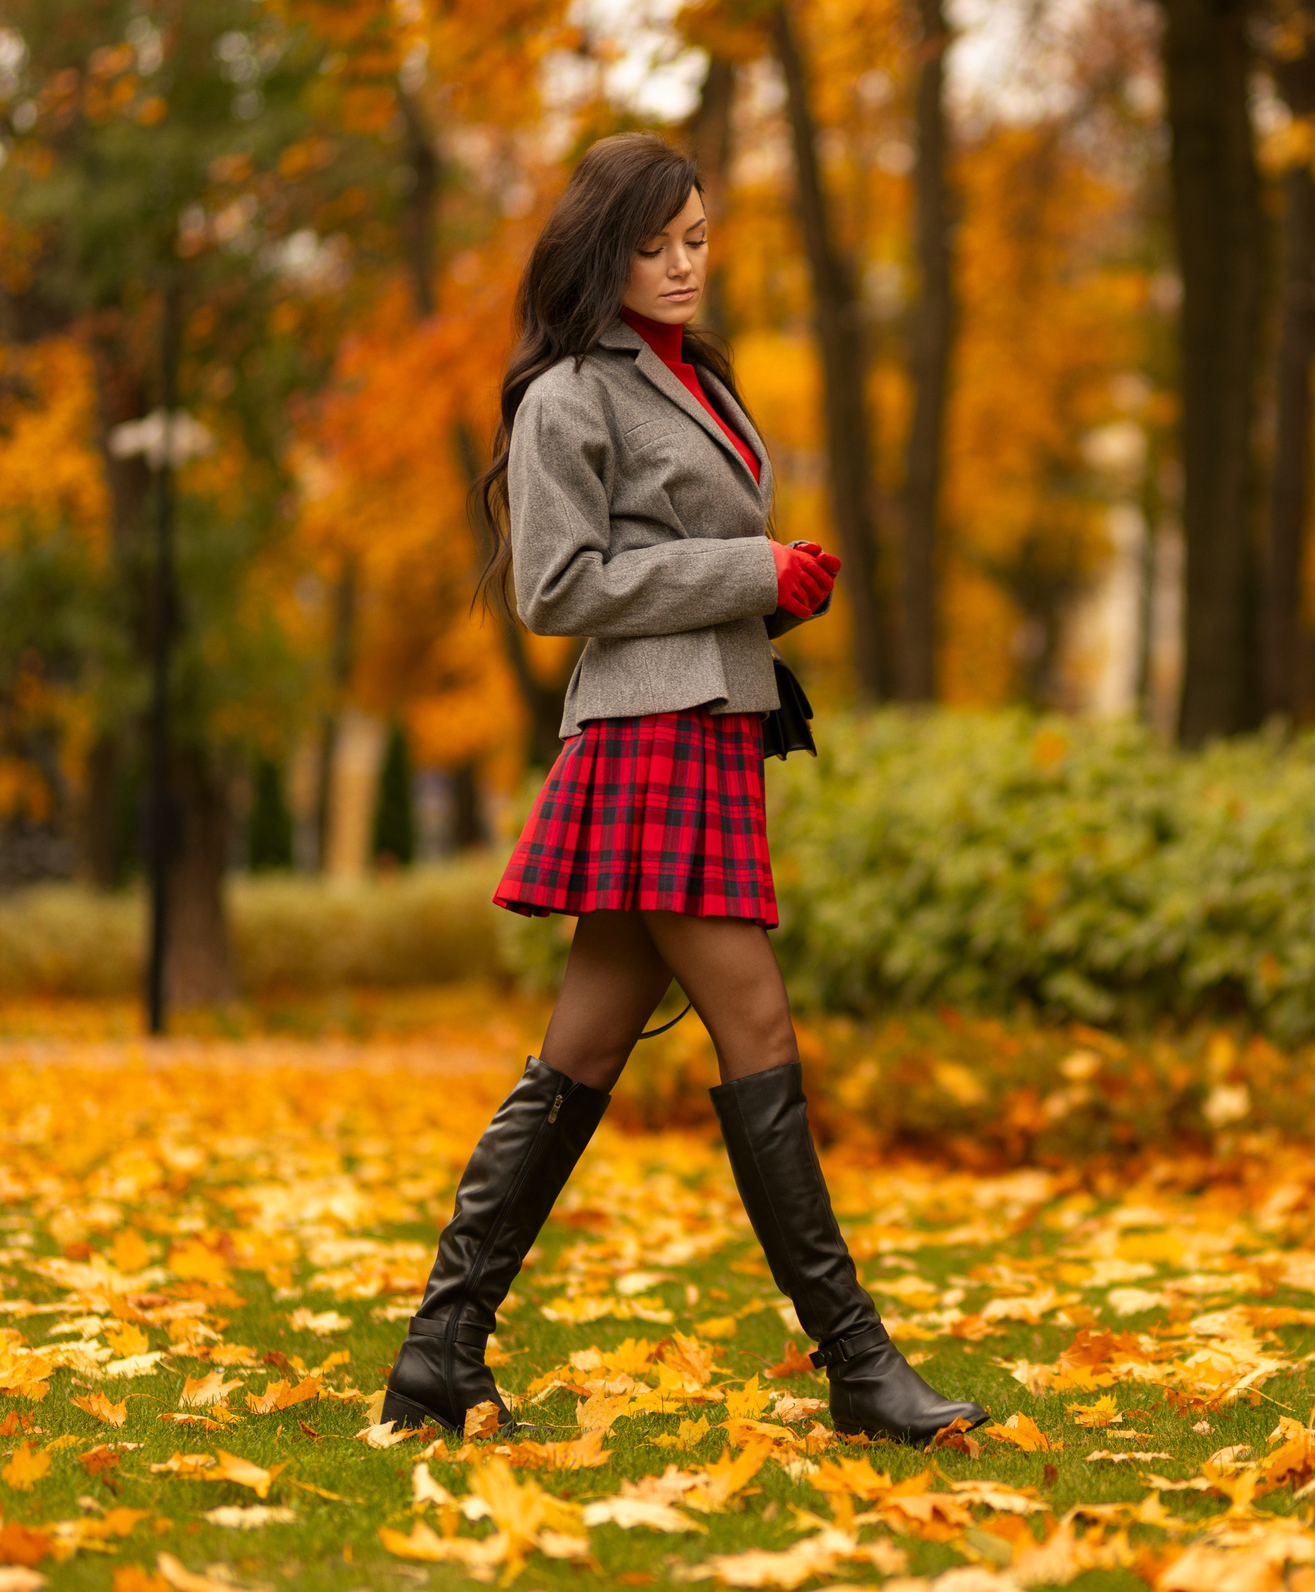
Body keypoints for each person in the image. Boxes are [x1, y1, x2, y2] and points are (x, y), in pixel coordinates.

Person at [381, 132, 988, 1447]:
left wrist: (773, 592)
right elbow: (557, 589)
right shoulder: (568, 398)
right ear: (604, 249)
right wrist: (749, 573)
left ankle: (440, 1356)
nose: (681, 266)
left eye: (698, 240)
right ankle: (860, 1367)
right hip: (648, 737)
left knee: (584, 1049)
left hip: (706, 726)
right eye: (654, 246)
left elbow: (684, 561)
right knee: (757, 1026)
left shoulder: (694, 377)